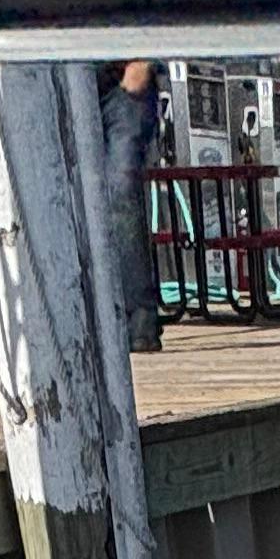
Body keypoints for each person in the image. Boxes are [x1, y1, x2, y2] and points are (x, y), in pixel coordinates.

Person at [96, 59, 164, 353]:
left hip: (120, 86)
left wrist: (142, 61)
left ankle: (140, 320)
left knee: (122, 195)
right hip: (64, 83)